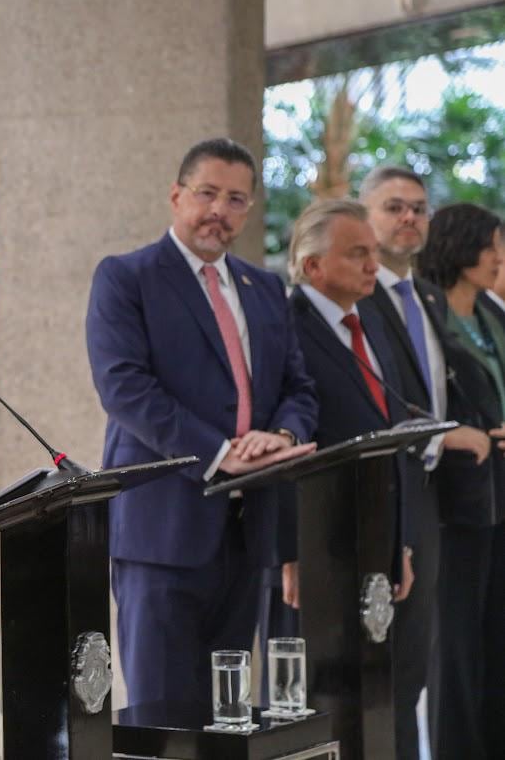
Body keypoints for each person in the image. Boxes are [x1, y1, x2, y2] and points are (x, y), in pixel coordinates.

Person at [84, 138, 318, 708]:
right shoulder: (127, 277)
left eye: (236, 200)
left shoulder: (265, 288)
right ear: (176, 195)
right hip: (162, 532)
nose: (219, 210)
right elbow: (125, 388)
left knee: (228, 716)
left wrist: (280, 437)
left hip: (248, 532)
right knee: (163, 716)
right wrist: (218, 453)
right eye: (207, 193)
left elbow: (299, 388)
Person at [359, 166, 486, 758]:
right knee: (377, 672)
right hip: (379, 492)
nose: (409, 217)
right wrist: (440, 439)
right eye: (393, 207)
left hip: (434, 496)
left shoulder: (429, 295)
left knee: (414, 666)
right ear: (364, 216)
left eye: (418, 208)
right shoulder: (359, 298)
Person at [281, 198, 416, 608]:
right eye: (358, 254)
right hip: (317, 539)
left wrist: (400, 543)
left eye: (374, 252)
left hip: (377, 533)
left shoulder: (370, 316)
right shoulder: (284, 324)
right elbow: (281, 441)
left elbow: (389, 423)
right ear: (313, 265)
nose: (373, 265)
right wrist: (289, 550)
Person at [416, 203, 505, 760]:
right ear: (459, 246)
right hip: (455, 499)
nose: (499, 257)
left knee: (495, 639)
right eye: (491, 245)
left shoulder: (491, 312)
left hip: (500, 493)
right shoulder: (426, 313)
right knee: (454, 645)